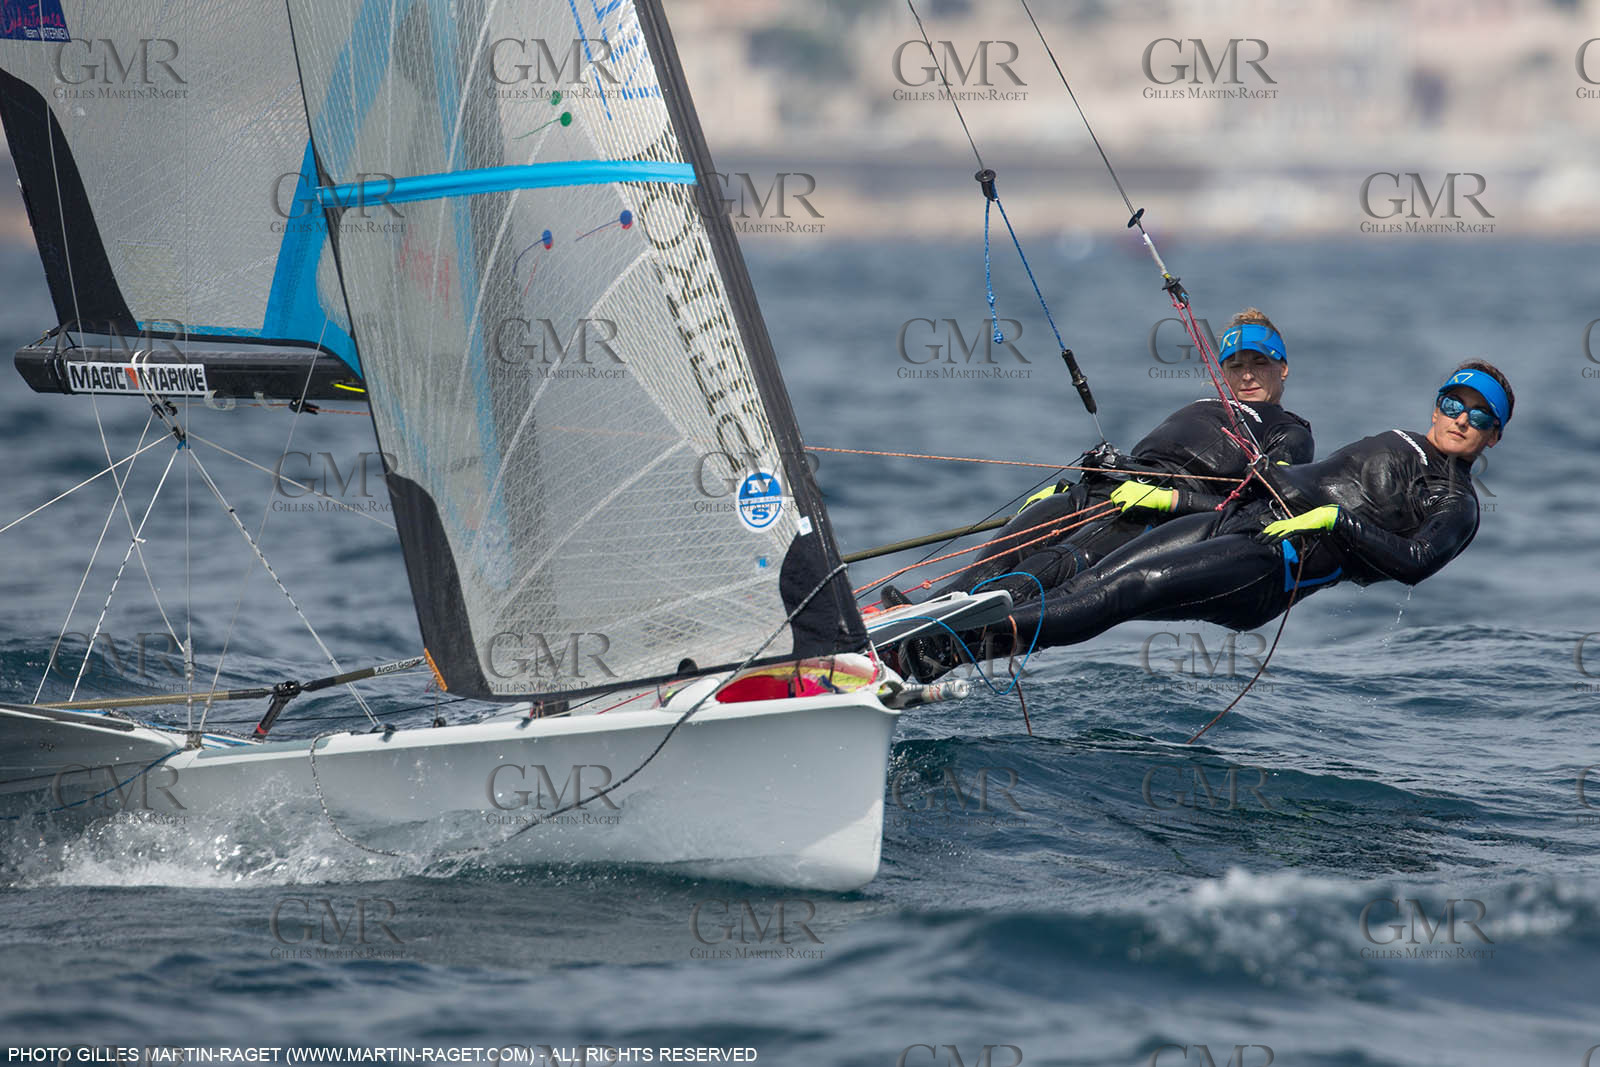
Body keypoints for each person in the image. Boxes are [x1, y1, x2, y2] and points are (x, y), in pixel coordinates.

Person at [900, 360, 1510, 681]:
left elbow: (1415, 563)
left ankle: (946, 649)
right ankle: (929, 635)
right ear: (1436, 406)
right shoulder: (1404, 440)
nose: (1460, 419)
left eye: (1478, 416)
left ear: (1494, 436)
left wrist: (1334, 523)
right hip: (1242, 518)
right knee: (1089, 579)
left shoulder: (1456, 500)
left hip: (1275, 563)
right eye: (1452, 403)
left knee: (1126, 590)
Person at [903, 308, 1312, 604]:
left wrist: (1171, 500)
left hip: (1152, 510)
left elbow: (1265, 509)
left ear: (1283, 368)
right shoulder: (1205, 405)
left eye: (1259, 363)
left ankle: (960, 623)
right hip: (1110, 487)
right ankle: (921, 609)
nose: (1246, 374)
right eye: (1235, 365)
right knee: (1006, 548)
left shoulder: (1288, 429)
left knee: (1047, 565)